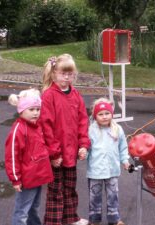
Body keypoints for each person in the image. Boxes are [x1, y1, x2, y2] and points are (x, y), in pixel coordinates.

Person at [40, 54, 91, 225]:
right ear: (54, 73)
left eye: (70, 73)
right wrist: (54, 153)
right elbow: (46, 126)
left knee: (70, 188)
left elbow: (83, 121)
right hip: (57, 155)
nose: (67, 77)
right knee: (56, 190)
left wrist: (84, 145)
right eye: (63, 73)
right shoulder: (49, 95)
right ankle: (53, 221)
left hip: (71, 153)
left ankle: (70, 218)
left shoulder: (76, 94)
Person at [4, 88, 54, 225]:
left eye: (38, 109)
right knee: (22, 212)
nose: (36, 113)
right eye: (31, 109)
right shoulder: (18, 130)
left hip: (38, 176)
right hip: (27, 179)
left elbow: (40, 148)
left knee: (34, 208)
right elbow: (12, 157)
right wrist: (15, 179)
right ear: (21, 110)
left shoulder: (36, 126)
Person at [87, 97, 130, 225]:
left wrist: (125, 160)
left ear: (111, 114)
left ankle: (114, 218)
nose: (104, 117)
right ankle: (94, 219)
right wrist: (83, 153)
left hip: (113, 170)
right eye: (100, 114)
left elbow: (123, 147)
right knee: (94, 196)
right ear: (95, 116)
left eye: (107, 113)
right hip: (95, 171)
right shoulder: (90, 130)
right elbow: (87, 147)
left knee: (113, 196)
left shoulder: (117, 129)